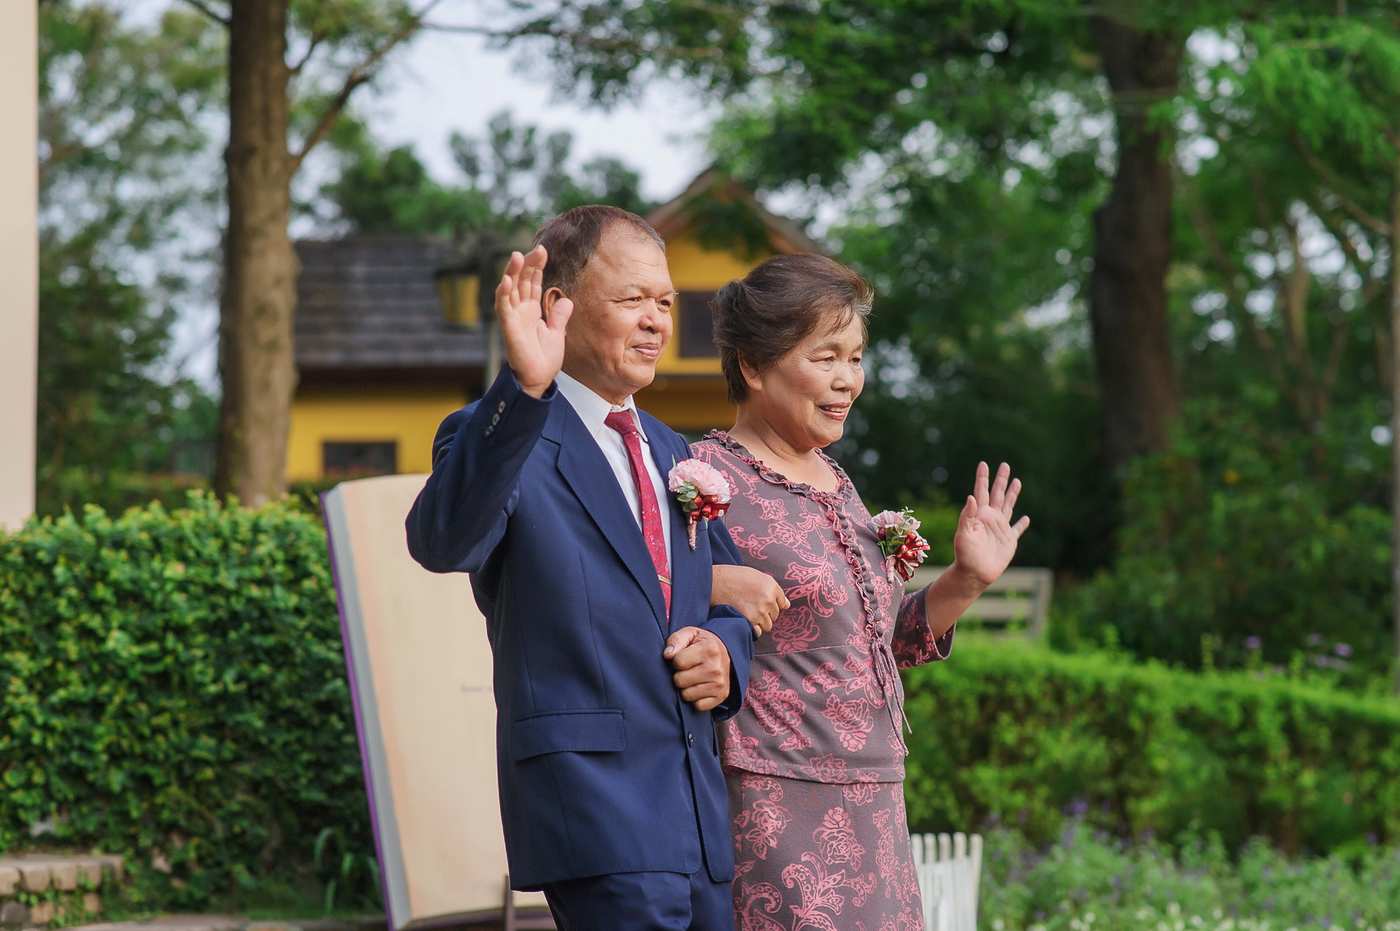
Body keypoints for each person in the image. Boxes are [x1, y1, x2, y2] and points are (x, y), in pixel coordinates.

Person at [405, 206, 756, 930]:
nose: (656, 321)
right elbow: (442, 542)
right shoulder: (498, 431)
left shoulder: (673, 450)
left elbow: (722, 598)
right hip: (593, 801)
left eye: (665, 302)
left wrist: (725, 652)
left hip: (697, 812)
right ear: (557, 306)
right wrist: (524, 391)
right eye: (633, 299)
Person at [696, 253, 1029, 930]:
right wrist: (704, 582)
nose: (848, 379)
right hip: (773, 794)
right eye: (826, 358)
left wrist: (966, 579)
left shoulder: (840, 484)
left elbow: (880, 644)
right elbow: (643, 596)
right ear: (753, 366)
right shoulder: (704, 479)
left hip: (876, 791)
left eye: (855, 357)